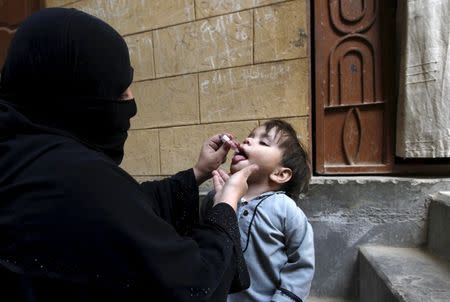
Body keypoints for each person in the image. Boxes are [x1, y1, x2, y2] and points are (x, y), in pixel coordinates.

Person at [0, 7, 259, 302]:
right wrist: (226, 206)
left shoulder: (20, 151)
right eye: (120, 91)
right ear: (75, 97)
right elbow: (192, 284)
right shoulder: (79, 182)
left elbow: (129, 207)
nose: (131, 102)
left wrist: (196, 173)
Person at [202, 119, 315, 302]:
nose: (247, 140)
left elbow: (301, 263)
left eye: (263, 142)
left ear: (280, 174)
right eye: (250, 136)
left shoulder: (284, 209)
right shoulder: (215, 197)